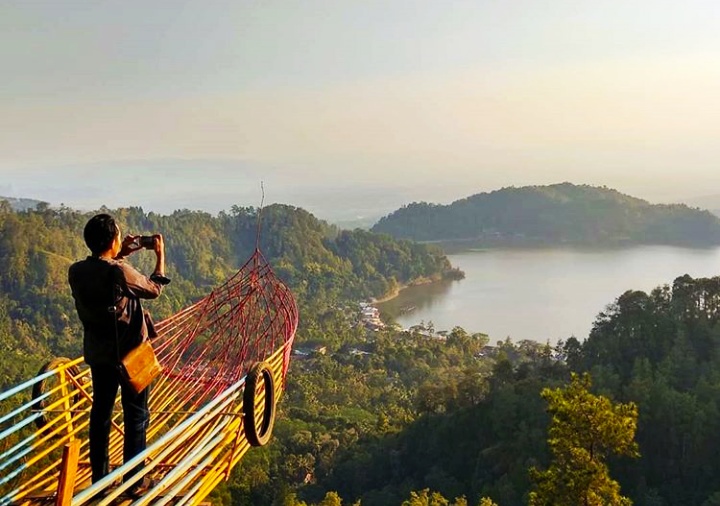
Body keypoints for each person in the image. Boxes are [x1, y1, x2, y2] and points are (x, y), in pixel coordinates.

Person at [68, 214, 169, 494]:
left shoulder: (76, 271)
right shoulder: (118, 272)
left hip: (99, 355)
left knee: (100, 414)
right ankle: (134, 480)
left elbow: (106, 275)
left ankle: (99, 481)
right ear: (113, 240)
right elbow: (153, 289)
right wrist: (159, 255)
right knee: (136, 415)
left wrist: (119, 255)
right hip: (130, 355)